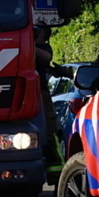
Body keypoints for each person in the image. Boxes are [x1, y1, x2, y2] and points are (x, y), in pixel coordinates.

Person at [34, 24, 65, 179]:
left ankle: (57, 174)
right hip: (25, 92)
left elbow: (46, 58)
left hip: (41, 94)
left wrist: (26, 44)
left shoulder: (43, 48)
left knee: (49, 131)